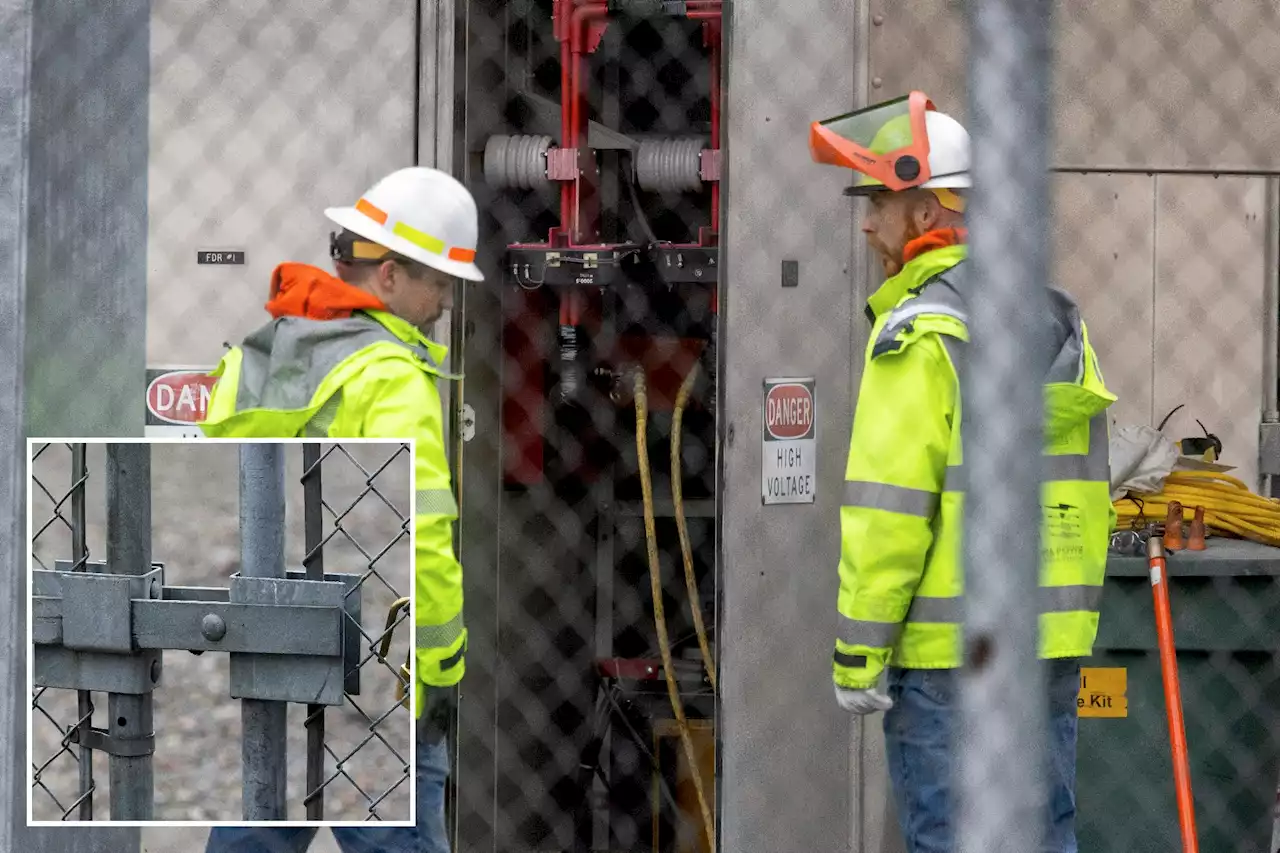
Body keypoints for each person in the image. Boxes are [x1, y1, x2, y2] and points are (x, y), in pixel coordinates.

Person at [809, 92, 1115, 853]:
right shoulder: (1053, 322)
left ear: (928, 213)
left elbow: (891, 511)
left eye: (881, 201)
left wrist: (859, 652)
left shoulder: (919, 334)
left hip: (948, 664)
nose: (867, 222)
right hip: (1043, 647)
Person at [198, 166, 485, 853]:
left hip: (268, 649)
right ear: (387, 276)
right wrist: (439, 674)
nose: (445, 301)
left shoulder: (261, 356)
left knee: (257, 829)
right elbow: (424, 542)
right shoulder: (391, 378)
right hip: (370, 670)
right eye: (438, 282)